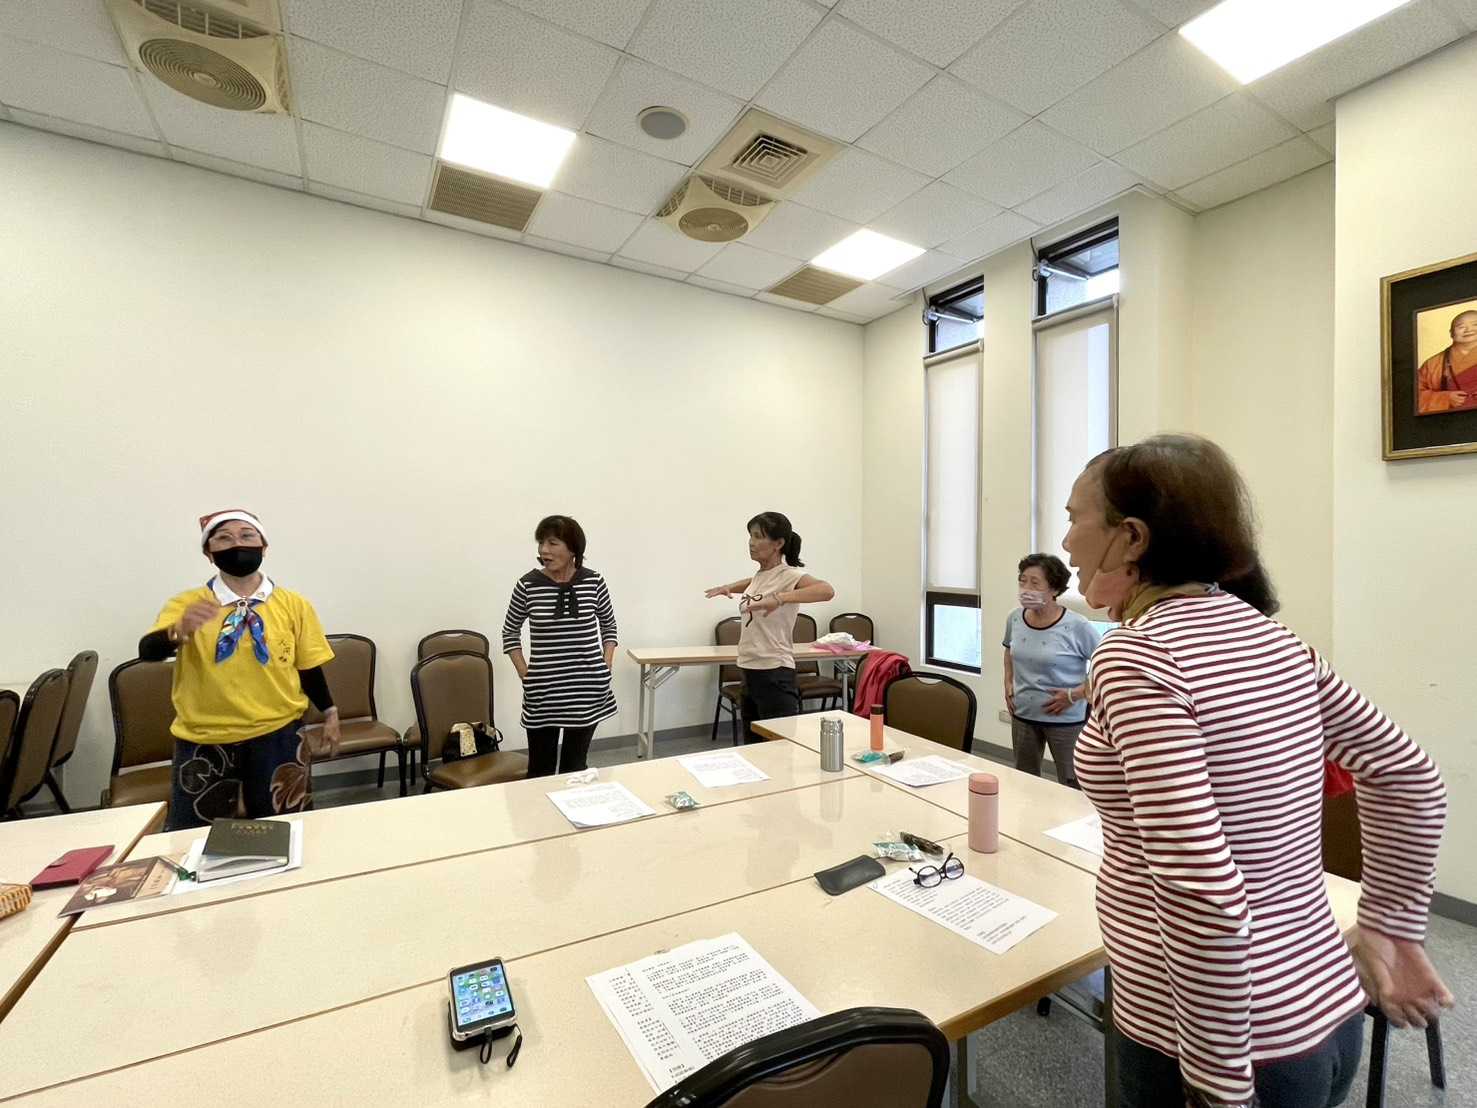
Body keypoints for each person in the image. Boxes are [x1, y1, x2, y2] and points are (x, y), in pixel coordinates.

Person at [1063, 435, 1451, 1108]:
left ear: (1131, 538)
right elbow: (1410, 776)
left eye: (1074, 519)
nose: (1066, 542)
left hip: (1216, 1046)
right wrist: (1391, 923)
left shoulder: (1136, 657)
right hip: (1322, 1015)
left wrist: (1218, 1081)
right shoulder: (1273, 637)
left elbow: (1199, 887)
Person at [140, 510, 339, 832]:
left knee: (285, 829)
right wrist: (177, 631)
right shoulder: (188, 604)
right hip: (206, 740)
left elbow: (308, 666)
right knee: (200, 838)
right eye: (224, 538)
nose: (237, 544)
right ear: (209, 553)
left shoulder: (294, 604)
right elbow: (148, 650)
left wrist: (330, 712)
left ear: (264, 546)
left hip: (279, 735)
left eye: (247, 535)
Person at [502, 516, 618, 777]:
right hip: (543, 692)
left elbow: (609, 625)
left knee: (574, 768)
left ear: (573, 548)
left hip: (587, 690)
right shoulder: (527, 585)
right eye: (541, 543)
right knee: (539, 771)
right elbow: (510, 631)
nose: (544, 550)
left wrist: (606, 662)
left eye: (552, 543)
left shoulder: (594, 581)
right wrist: (524, 672)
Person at [705, 512, 834, 744]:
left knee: (779, 748)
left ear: (778, 543)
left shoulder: (790, 574)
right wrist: (729, 587)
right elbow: (754, 583)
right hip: (749, 669)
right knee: (753, 748)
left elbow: (827, 591)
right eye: (750, 536)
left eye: (758, 536)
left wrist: (780, 598)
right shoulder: (762, 575)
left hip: (774, 672)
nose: (751, 542)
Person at [1002, 553, 1100, 788]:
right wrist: (1008, 682)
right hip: (1023, 714)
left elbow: (1105, 667)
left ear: (1054, 589)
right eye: (1023, 581)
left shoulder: (1077, 625)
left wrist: (1074, 695)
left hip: (1066, 719)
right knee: (1024, 781)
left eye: (1035, 583)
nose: (1026, 589)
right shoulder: (1015, 618)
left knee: (1073, 783)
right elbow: (1009, 650)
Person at [1416, 308, 1477, 413]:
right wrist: (1444, 398)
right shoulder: (1433, 363)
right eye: (1461, 327)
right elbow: (1413, 395)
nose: (1468, 330)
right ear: (1451, 333)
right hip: (1448, 420)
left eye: (1475, 324)